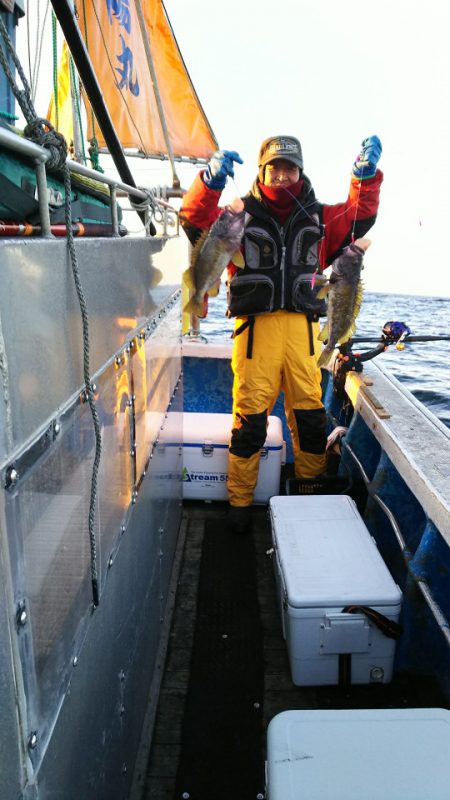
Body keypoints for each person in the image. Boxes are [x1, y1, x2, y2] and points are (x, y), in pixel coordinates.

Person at [180, 135, 383, 533]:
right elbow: (196, 223)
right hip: (254, 335)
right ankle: (239, 506)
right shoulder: (240, 212)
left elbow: (360, 217)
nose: (283, 175)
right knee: (249, 425)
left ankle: (309, 499)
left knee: (309, 422)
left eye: (290, 168)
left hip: (304, 339)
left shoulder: (320, 217)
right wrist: (210, 180)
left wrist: (365, 177)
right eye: (275, 168)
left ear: (300, 171)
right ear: (262, 171)